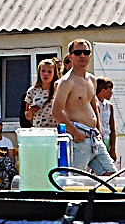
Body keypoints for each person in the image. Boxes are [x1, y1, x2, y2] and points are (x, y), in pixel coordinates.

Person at [52, 39, 119, 175]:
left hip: (94, 138)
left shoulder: (92, 80)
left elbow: (94, 106)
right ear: (70, 56)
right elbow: (56, 112)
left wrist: (99, 129)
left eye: (86, 52)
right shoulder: (66, 82)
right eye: (77, 53)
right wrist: (75, 133)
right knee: (75, 181)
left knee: (112, 176)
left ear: (90, 55)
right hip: (78, 140)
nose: (82, 56)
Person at [21, 56, 58, 128]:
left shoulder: (59, 90)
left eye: (49, 71)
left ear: (54, 73)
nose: (46, 74)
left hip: (55, 131)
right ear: (39, 73)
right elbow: (27, 116)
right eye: (43, 71)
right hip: (38, 131)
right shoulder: (32, 91)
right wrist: (31, 111)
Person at [95, 78, 116, 155]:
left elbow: (112, 127)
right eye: (109, 90)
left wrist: (113, 148)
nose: (111, 93)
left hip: (107, 139)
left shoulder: (109, 105)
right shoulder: (93, 103)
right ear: (103, 90)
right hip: (96, 139)